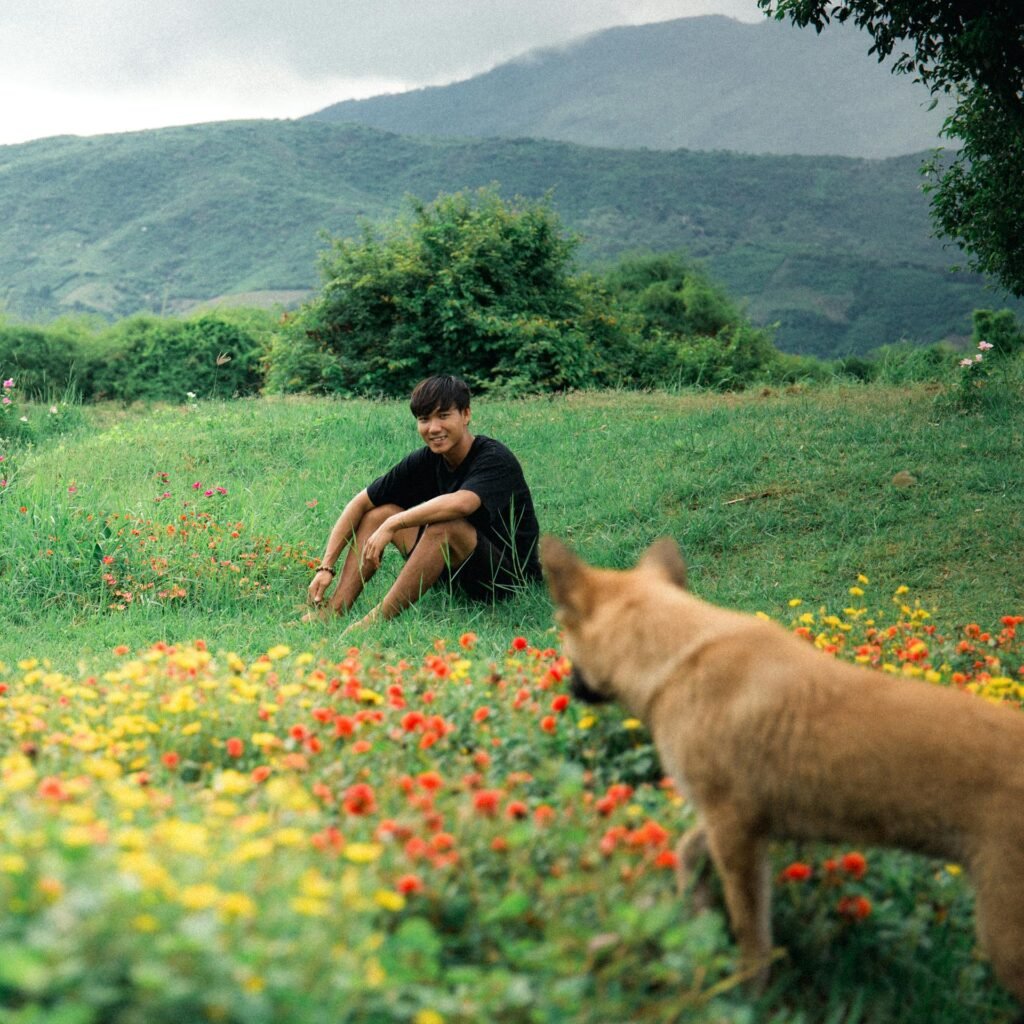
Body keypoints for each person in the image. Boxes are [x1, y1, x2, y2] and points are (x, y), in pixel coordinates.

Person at [306, 374, 541, 630]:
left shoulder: (494, 458)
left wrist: (394, 523)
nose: (433, 428)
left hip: (508, 581)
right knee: (378, 514)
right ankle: (335, 610)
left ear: (466, 414)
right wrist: (326, 567)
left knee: (446, 526)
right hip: (457, 575)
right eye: (424, 419)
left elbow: (462, 504)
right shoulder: (426, 460)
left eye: (443, 416)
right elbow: (360, 503)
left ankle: (373, 623)